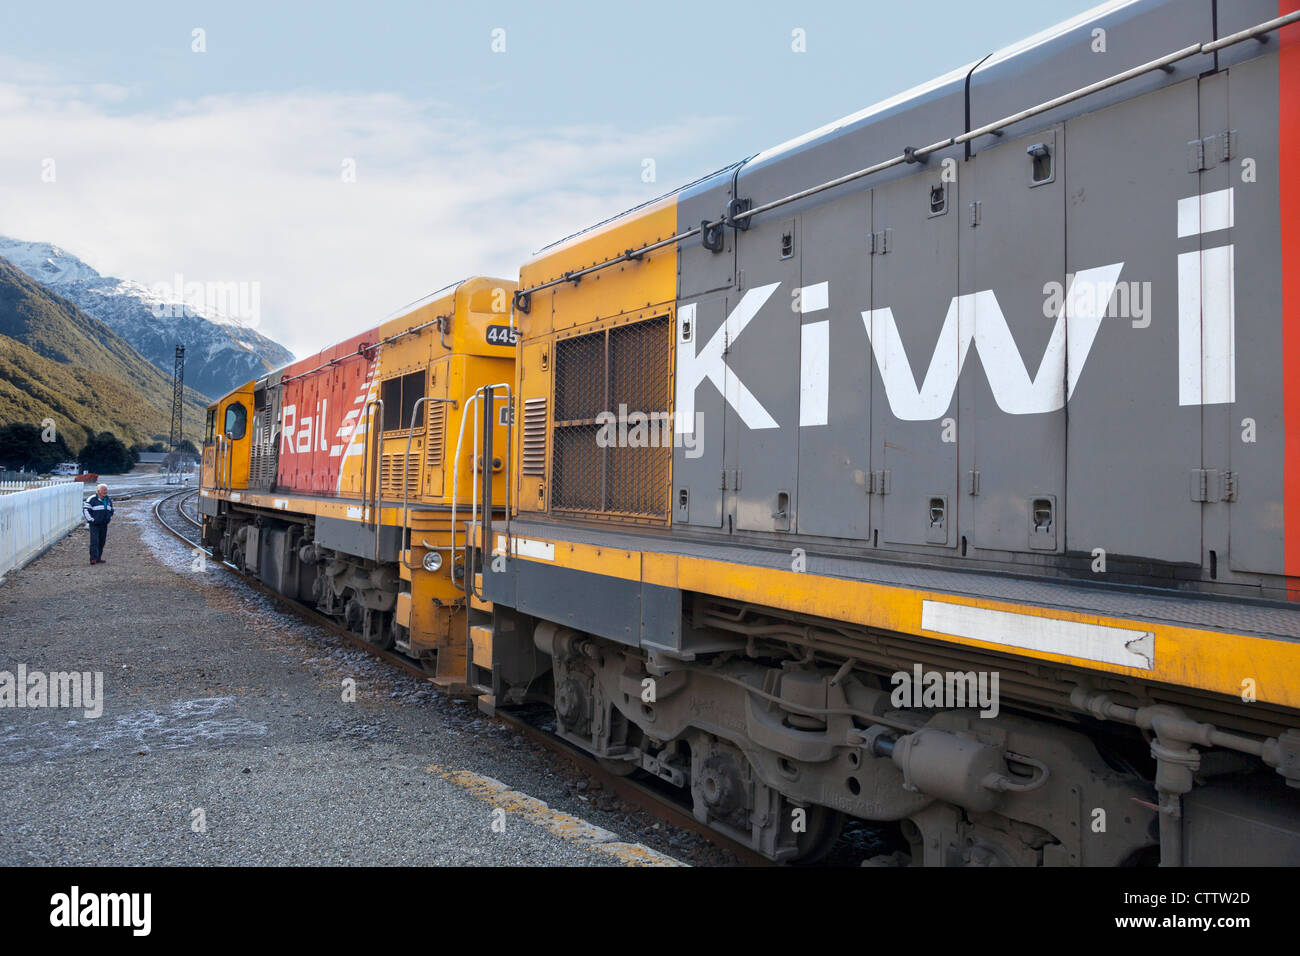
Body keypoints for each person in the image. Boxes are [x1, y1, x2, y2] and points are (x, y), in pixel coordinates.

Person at [83, 483, 114, 565]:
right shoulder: (91, 499)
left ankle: (98, 557)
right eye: (104, 490)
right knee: (94, 541)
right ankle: (93, 558)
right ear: (98, 491)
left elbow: (111, 510)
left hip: (104, 524)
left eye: (106, 490)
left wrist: (109, 518)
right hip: (95, 524)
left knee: (102, 541)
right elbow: (86, 510)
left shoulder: (108, 499)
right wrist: (91, 520)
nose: (105, 492)